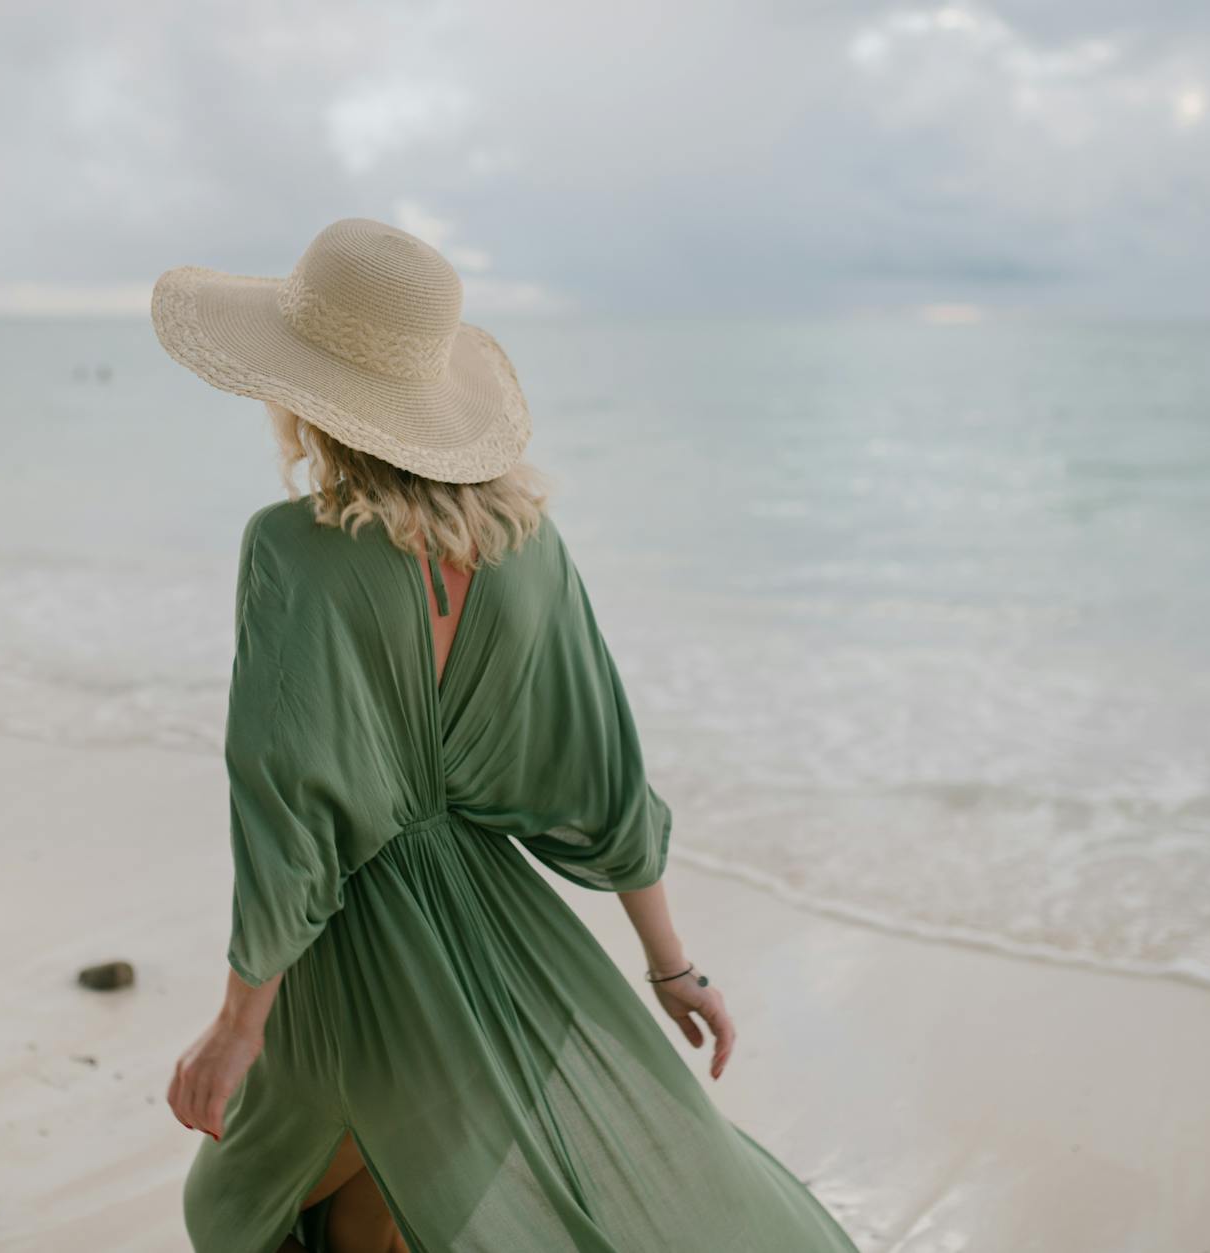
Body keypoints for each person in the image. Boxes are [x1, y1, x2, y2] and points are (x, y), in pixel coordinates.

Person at [151, 218, 857, 1252]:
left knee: (235, 1204)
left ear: (305, 392)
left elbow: (289, 802)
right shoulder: (528, 544)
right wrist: (668, 964)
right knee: (388, 1204)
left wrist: (239, 1020)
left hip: (351, 944)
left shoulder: (290, 551)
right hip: (498, 933)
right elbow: (600, 768)